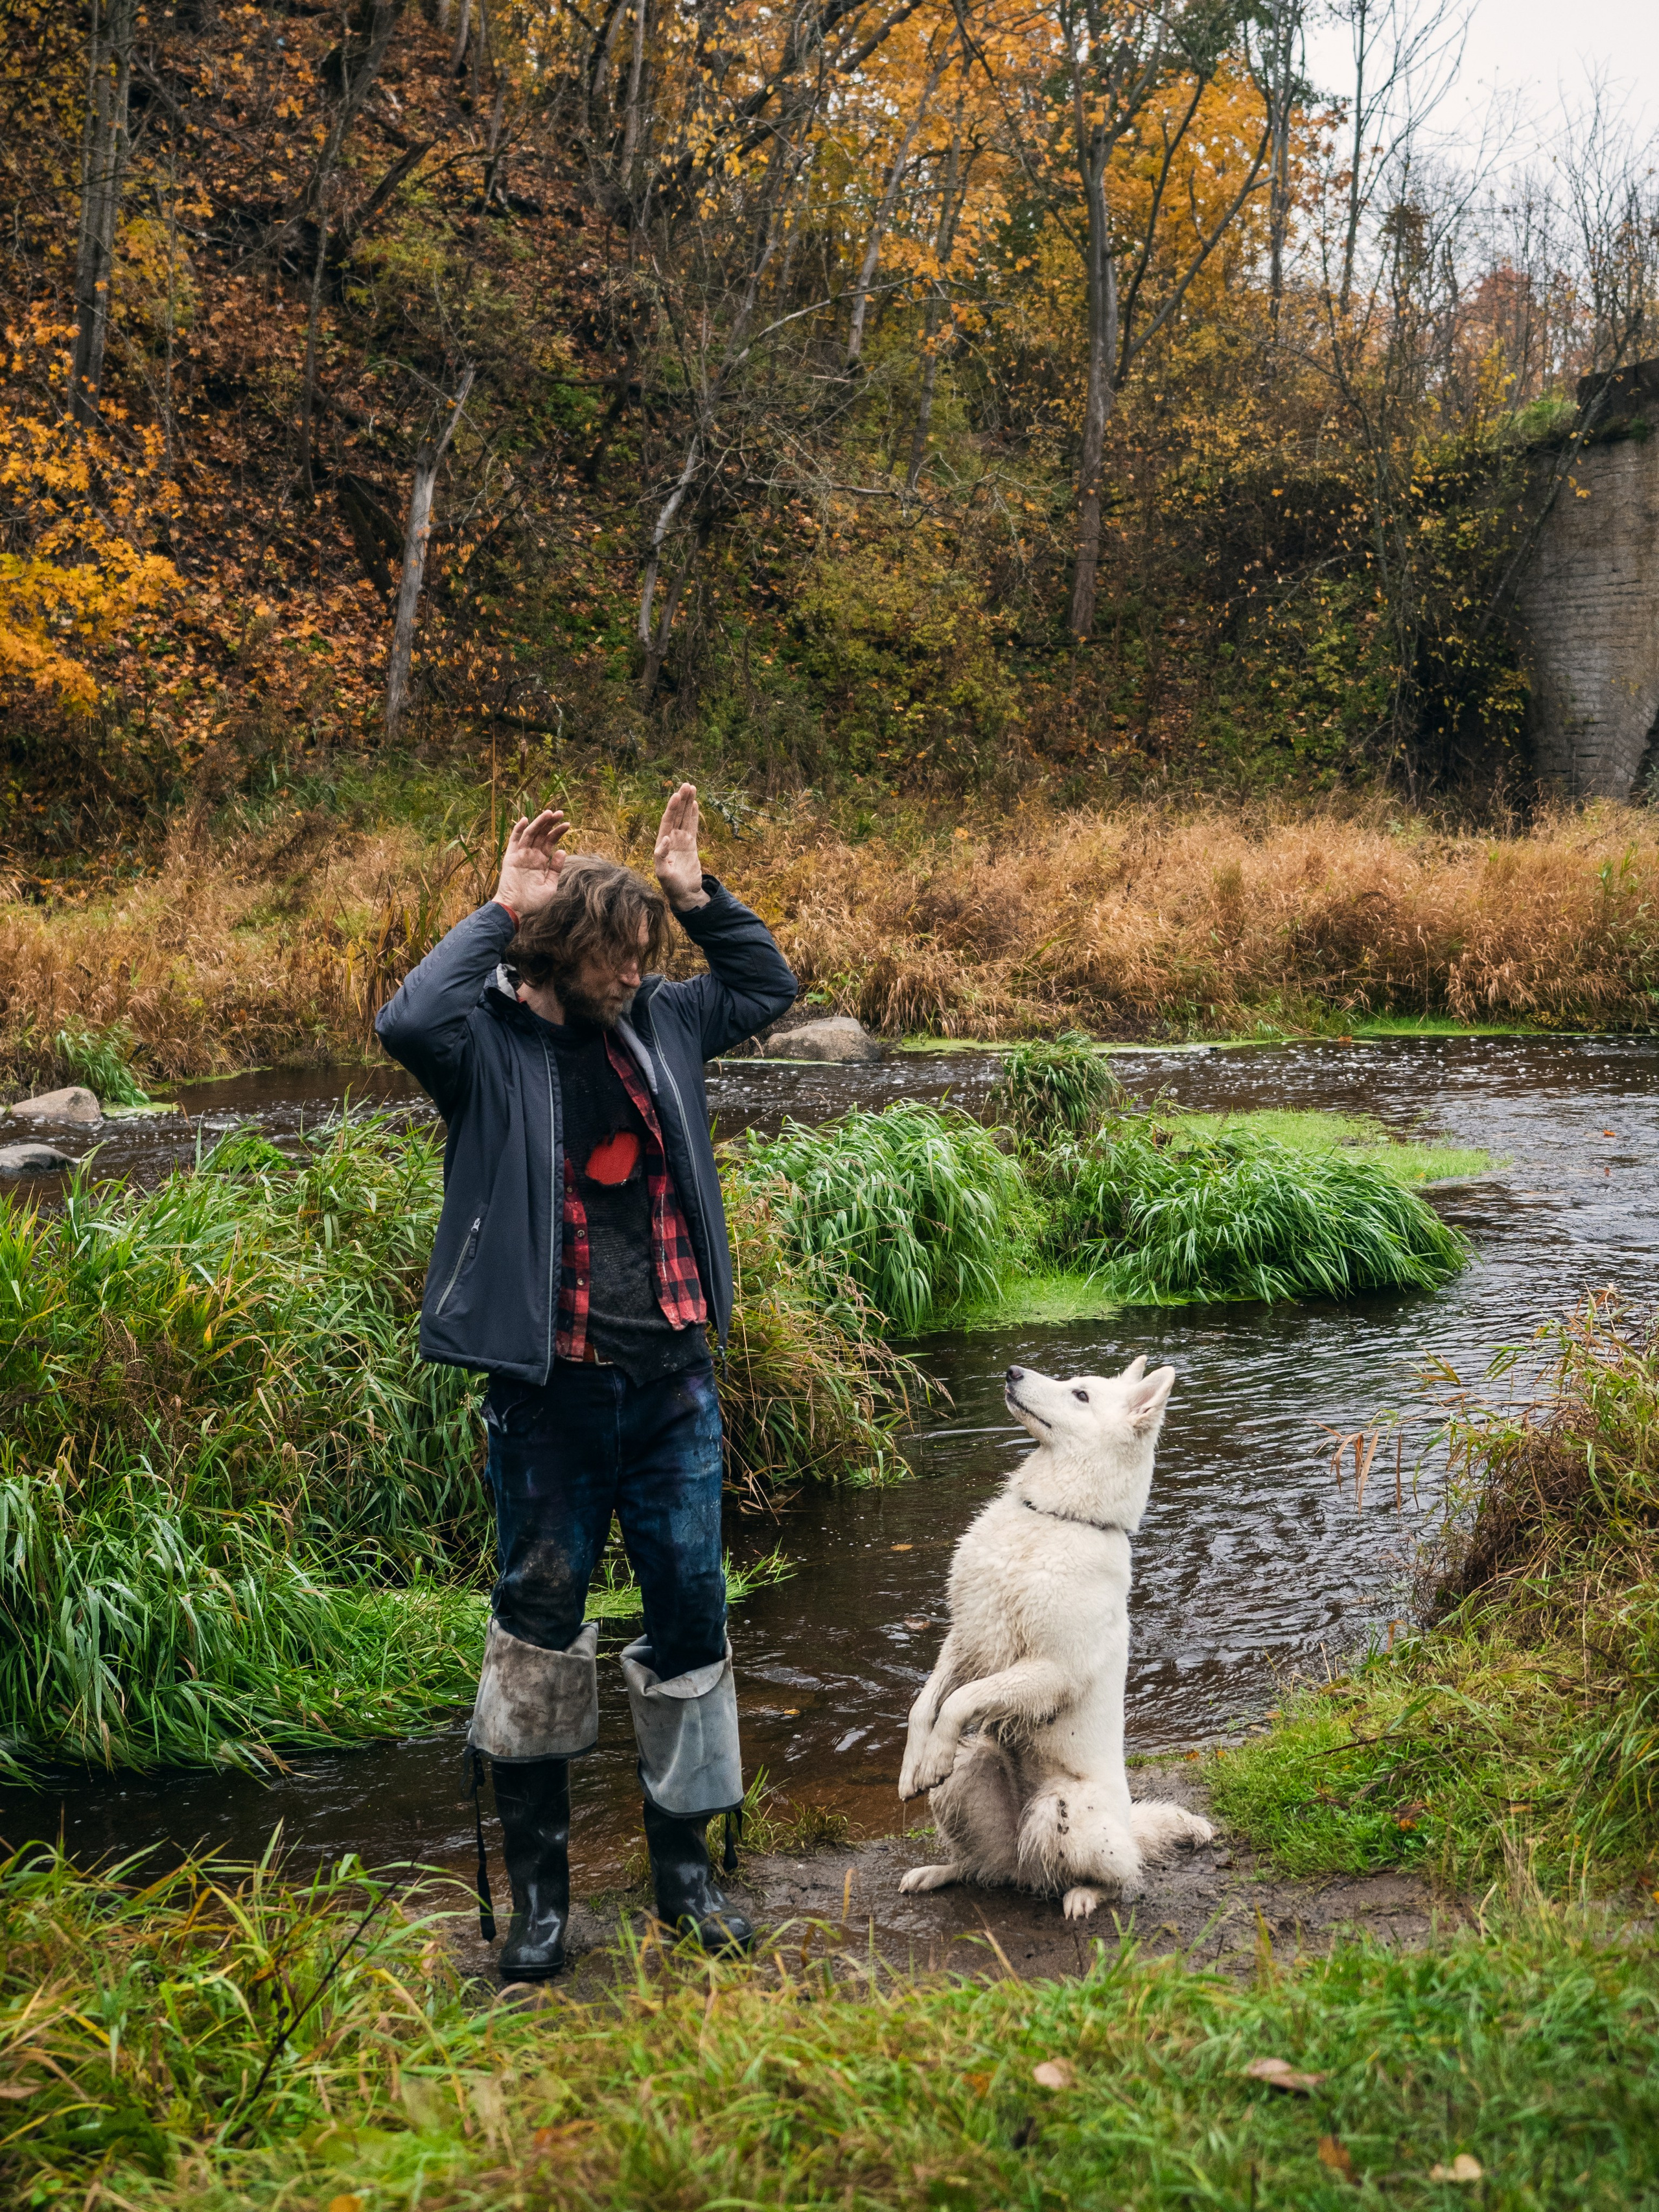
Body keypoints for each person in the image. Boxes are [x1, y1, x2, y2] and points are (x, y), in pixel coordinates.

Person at [376, 784, 798, 1979]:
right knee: (536, 1637)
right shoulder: (487, 1048)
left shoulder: (664, 1024)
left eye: (647, 954)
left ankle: (686, 1881)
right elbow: (408, 1020)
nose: (637, 972)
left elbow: (767, 987)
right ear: (562, 954)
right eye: (620, 954)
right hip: (547, 1397)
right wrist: (499, 909)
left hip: (673, 1388)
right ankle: (542, 1909)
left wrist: (693, 895)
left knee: (693, 1624)